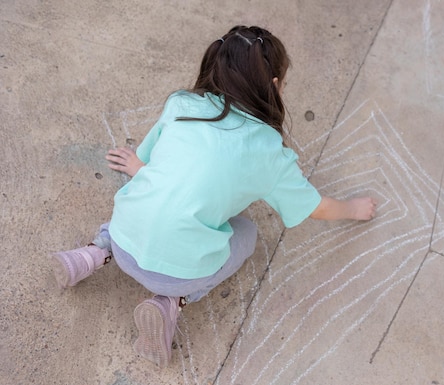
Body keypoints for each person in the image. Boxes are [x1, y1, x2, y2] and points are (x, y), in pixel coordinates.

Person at [51, 25, 377, 367]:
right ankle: (170, 303)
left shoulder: (181, 103)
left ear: (213, 68)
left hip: (122, 239)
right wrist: (354, 209)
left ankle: (92, 254)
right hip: (177, 275)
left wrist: (137, 166)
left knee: (149, 200)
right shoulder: (268, 150)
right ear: (276, 87)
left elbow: (147, 164)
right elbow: (317, 208)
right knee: (247, 233)